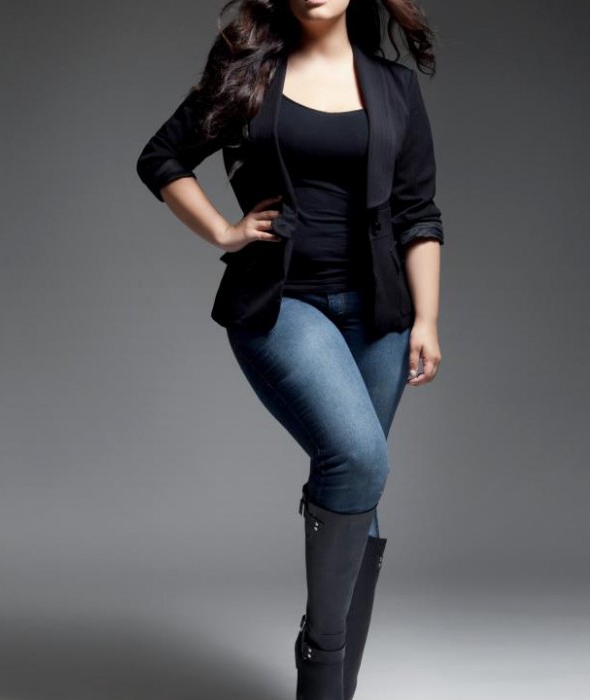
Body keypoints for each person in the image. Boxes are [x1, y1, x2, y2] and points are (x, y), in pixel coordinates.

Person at [135, 1, 444, 698]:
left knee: (360, 486)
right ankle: (321, 662)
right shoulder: (248, 70)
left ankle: (329, 689)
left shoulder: (394, 87)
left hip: (380, 315)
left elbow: (417, 212)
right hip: (282, 303)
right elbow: (162, 156)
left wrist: (426, 317)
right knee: (359, 458)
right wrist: (223, 230)